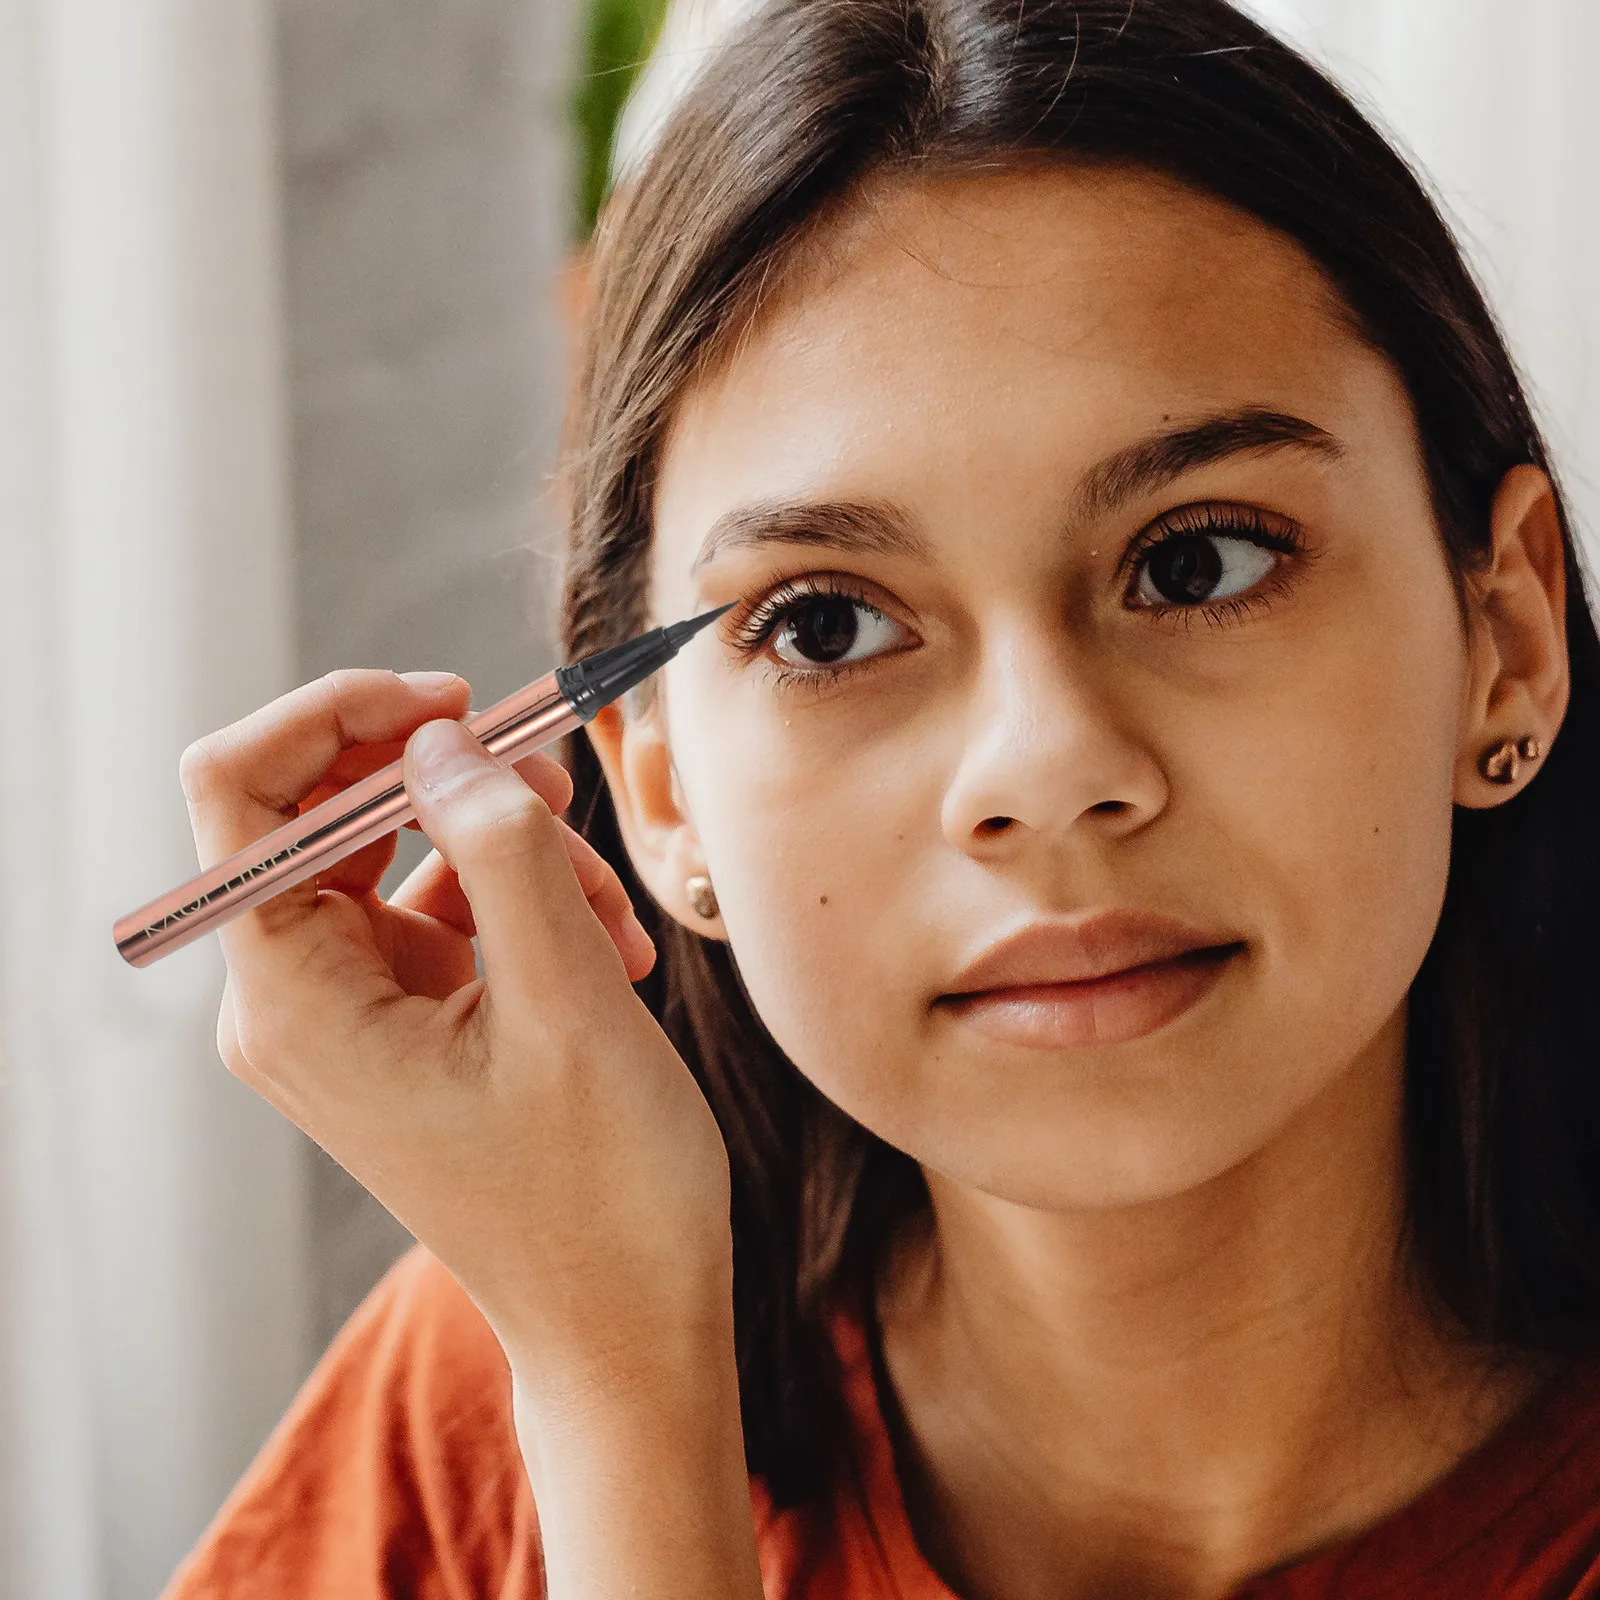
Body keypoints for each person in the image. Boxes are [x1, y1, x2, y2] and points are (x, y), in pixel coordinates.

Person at [160, 0, 1600, 1595]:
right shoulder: (515, 1368)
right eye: (826, 624)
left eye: (1198, 562)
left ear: (1508, 636)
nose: (1045, 771)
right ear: (660, 791)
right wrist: (619, 1384)